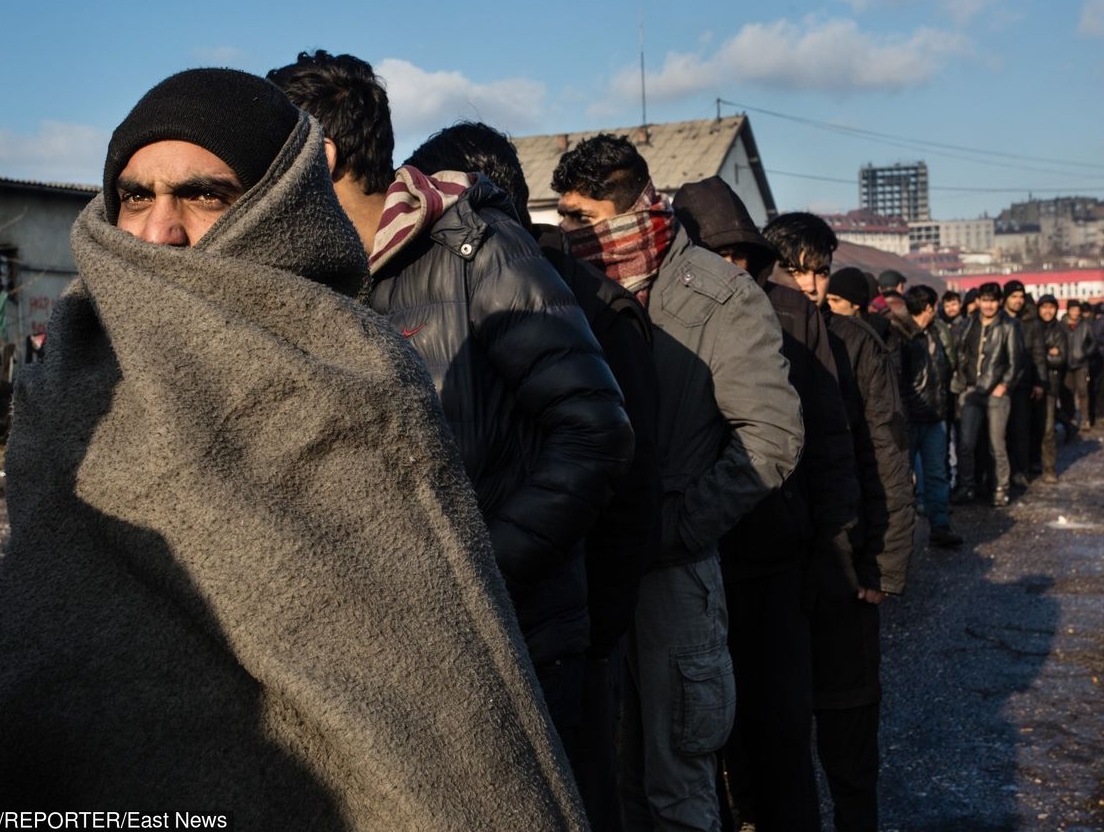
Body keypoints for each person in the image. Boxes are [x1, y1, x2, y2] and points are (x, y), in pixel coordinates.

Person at [0, 68, 587, 827]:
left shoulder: (350, 376)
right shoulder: (67, 385)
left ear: (279, 208)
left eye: (204, 194)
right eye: (136, 196)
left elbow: (434, 716)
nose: (160, 231)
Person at [269, 52, 636, 740]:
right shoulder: (312, 282)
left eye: (267, 154)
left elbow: (595, 432)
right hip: (389, 658)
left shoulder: (478, 250)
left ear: (319, 154)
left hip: (515, 643)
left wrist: (478, 574)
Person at [403, 120, 662, 830]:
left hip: (563, 627)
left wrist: (595, 629)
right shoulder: (433, 285)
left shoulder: (591, 304)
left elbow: (625, 482)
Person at [553, 135, 804, 831]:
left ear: (629, 205)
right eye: (563, 216)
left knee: (676, 786)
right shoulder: (572, 288)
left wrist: (677, 529)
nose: (569, 232)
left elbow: (773, 437)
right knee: (614, 777)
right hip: (598, 569)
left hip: (674, 576)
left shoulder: (721, 295)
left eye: (581, 217)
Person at [674, 177, 859, 832]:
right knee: (708, 733)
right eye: (719, 255)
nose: (734, 270)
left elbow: (829, 430)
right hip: (700, 556)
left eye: (743, 256)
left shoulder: (789, 310)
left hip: (776, 553)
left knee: (783, 733)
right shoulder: (664, 310)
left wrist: (836, 544)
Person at [765, 215, 914, 832]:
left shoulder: (856, 343)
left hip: (849, 562)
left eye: (821, 270)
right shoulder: (751, 336)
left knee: (850, 728)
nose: (812, 283)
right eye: (798, 268)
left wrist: (885, 561)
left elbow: (887, 452)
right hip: (774, 564)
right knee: (775, 733)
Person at [892, 285, 962, 547]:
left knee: (936, 473)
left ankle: (940, 526)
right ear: (930, 307)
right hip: (911, 418)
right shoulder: (901, 336)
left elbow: (944, 369)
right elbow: (900, 380)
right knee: (901, 479)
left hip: (935, 415)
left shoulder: (935, 332)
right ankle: (898, 539)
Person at [951, 281, 1024, 507]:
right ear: (979, 301)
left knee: (996, 444)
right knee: (966, 444)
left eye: (993, 301)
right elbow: (961, 354)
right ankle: (967, 486)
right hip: (971, 390)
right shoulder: (968, 323)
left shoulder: (1008, 326)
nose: (989, 305)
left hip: (996, 393)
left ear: (999, 302)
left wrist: (1005, 385)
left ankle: (1001, 487)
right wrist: (961, 381)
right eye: (985, 300)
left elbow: (1016, 361)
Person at [1002, 281, 1045, 487]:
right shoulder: (998, 320)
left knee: (1021, 430)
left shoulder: (1031, 322)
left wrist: (1039, 382)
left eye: (1021, 297)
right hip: (999, 384)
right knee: (1000, 432)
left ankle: (1021, 470)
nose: (1018, 301)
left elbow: (1038, 354)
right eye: (1013, 297)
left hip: (1023, 383)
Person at [1035, 295, 1068, 482]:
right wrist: (1047, 352)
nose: (1047, 311)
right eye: (1044, 307)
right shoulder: (1033, 327)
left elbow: (1060, 359)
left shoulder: (1059, 331)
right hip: (1032, 384)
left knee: (1048, 429)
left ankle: (1049, 468)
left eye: (1051, 307)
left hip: (1050, 385)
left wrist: (1042, 356)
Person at [1060, 299, 1094, 433]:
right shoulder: (1061, 325)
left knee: (1083, 391)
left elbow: (1093, 342)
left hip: (1082, 364)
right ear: (1068, 310)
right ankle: (1070, 418)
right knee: (1068, 393)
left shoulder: (1085, 325)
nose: (1075, 312)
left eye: (1077, 310)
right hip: (1066, 364)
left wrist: (1086, 353)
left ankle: (1085, 419)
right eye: (1073, 309)